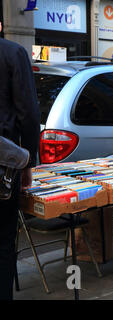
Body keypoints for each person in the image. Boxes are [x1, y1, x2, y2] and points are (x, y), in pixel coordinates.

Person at [0, 21, 40, 300]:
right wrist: (28, 163)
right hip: (4, 166)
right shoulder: (12, 53)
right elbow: (29, 114)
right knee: (3, 240)